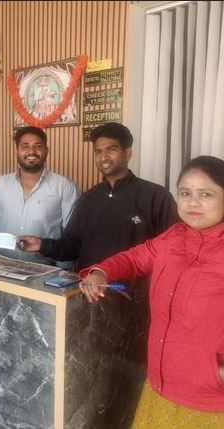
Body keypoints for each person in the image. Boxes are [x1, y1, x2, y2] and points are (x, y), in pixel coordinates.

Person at [79, 156, 224, 427]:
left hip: (210, 403)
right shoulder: (173, 237)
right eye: (185, 193)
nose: (192, 202)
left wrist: (217, 374)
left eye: (206, 194)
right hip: (159, 387)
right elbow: (135, 258)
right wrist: (101, 272)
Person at [18, 122, 178, 270]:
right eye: (98, 151)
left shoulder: (156, 197)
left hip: (134, 290)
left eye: (111, 149)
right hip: (89, 287)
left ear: (128, 153)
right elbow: (71, 248)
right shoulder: (88, 199)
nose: (104, 157)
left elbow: (173, 249)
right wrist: (41, 245)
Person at [0, 126, 79, 266]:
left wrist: (62, 274)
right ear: (17, 151)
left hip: (45, 270)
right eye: (25, 146)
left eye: (38, 146)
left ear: (46, 151)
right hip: (2, 266)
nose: (31, 151)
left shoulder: (64, 187)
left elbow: (70, 237)